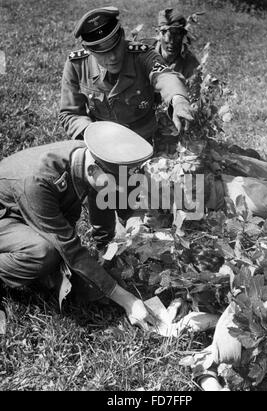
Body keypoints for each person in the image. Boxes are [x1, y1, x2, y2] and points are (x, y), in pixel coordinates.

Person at [0, 121, 157, 331]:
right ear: (93, 171)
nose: (117, 193)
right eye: (115, 187)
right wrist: (126, 299)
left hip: (24, 210)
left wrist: (116, 232)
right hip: (6, 217)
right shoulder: (37, 182)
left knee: (63, 269)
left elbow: (103, 195)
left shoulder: (88, 158)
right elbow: (70, 249)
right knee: (43, 253)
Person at [59, 6, 194, 144]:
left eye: (116, 46)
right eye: (103, 52)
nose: (112, 57)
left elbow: (165, 76)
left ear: (122, 35)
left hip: (143, 141)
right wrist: (93, 134)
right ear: (87, 49)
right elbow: (70, 113)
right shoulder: (76, 65)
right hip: (100, 143)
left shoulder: (143, 55)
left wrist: (178, 99)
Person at [154, 8, 200, 79]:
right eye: (166, 35)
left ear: (182, 37)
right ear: (159, 35)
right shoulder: (144, 53)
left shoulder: (191, 64)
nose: (172, 42)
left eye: (176, 35)